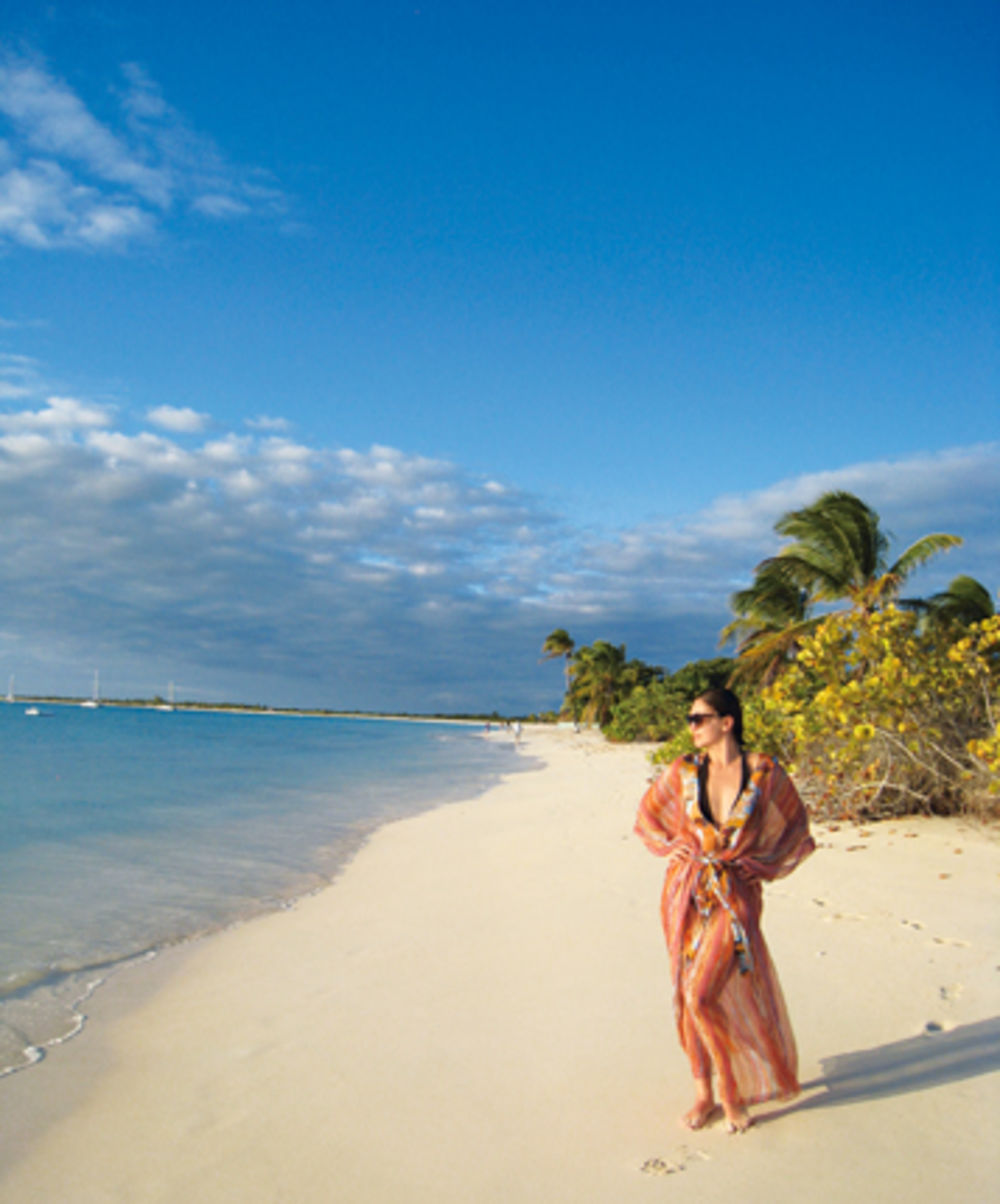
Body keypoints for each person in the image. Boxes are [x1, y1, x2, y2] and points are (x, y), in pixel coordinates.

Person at [634, 687, 814, 1133]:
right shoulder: (683, 770)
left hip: (736, 897)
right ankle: (702, 1093)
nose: (691, 726)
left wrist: (763, 866)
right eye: (690, 718)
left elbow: (796, 828)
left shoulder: (765, 772)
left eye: (699, 718)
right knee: (687, 993)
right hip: (686, 895)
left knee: (701, 994)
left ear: (726, 722)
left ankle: (731, 1094)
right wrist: (675, 847)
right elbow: (647, 817)